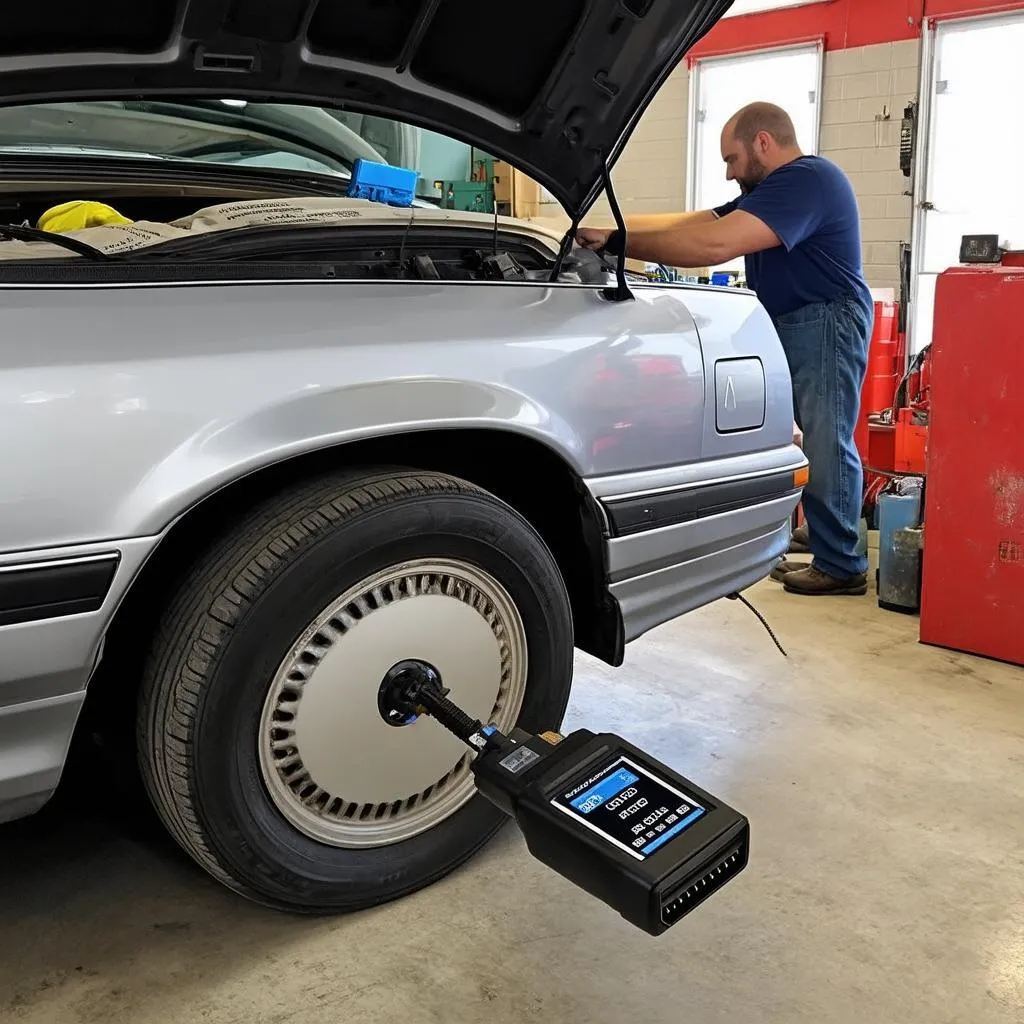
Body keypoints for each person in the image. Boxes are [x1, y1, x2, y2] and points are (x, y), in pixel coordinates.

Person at [577, 101, 873, 597]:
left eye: (732, 160)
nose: (730, 173)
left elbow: (714, 246)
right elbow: (693, 222)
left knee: (826, 438)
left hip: (827, 320)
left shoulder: (808, 180)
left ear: (763, 143)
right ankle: (826, 530)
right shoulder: (770, 190)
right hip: (795, 320)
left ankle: (842, 562)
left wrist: (617, 243)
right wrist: (609, 228)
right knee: (807, 435)